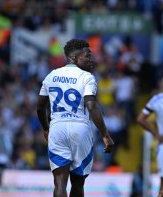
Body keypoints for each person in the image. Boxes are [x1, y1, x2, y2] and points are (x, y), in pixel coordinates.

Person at [37, 39, 114, 197]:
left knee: (59, 182)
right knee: (78, 183)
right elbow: (91, 106)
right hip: (80, 127)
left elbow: (40, 107)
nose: (90, 59)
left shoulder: (52, 75)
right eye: (87, 55)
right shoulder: (87, 77)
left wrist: (46, 128)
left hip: (57, 128)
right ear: (74, 58)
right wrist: (105, 135)